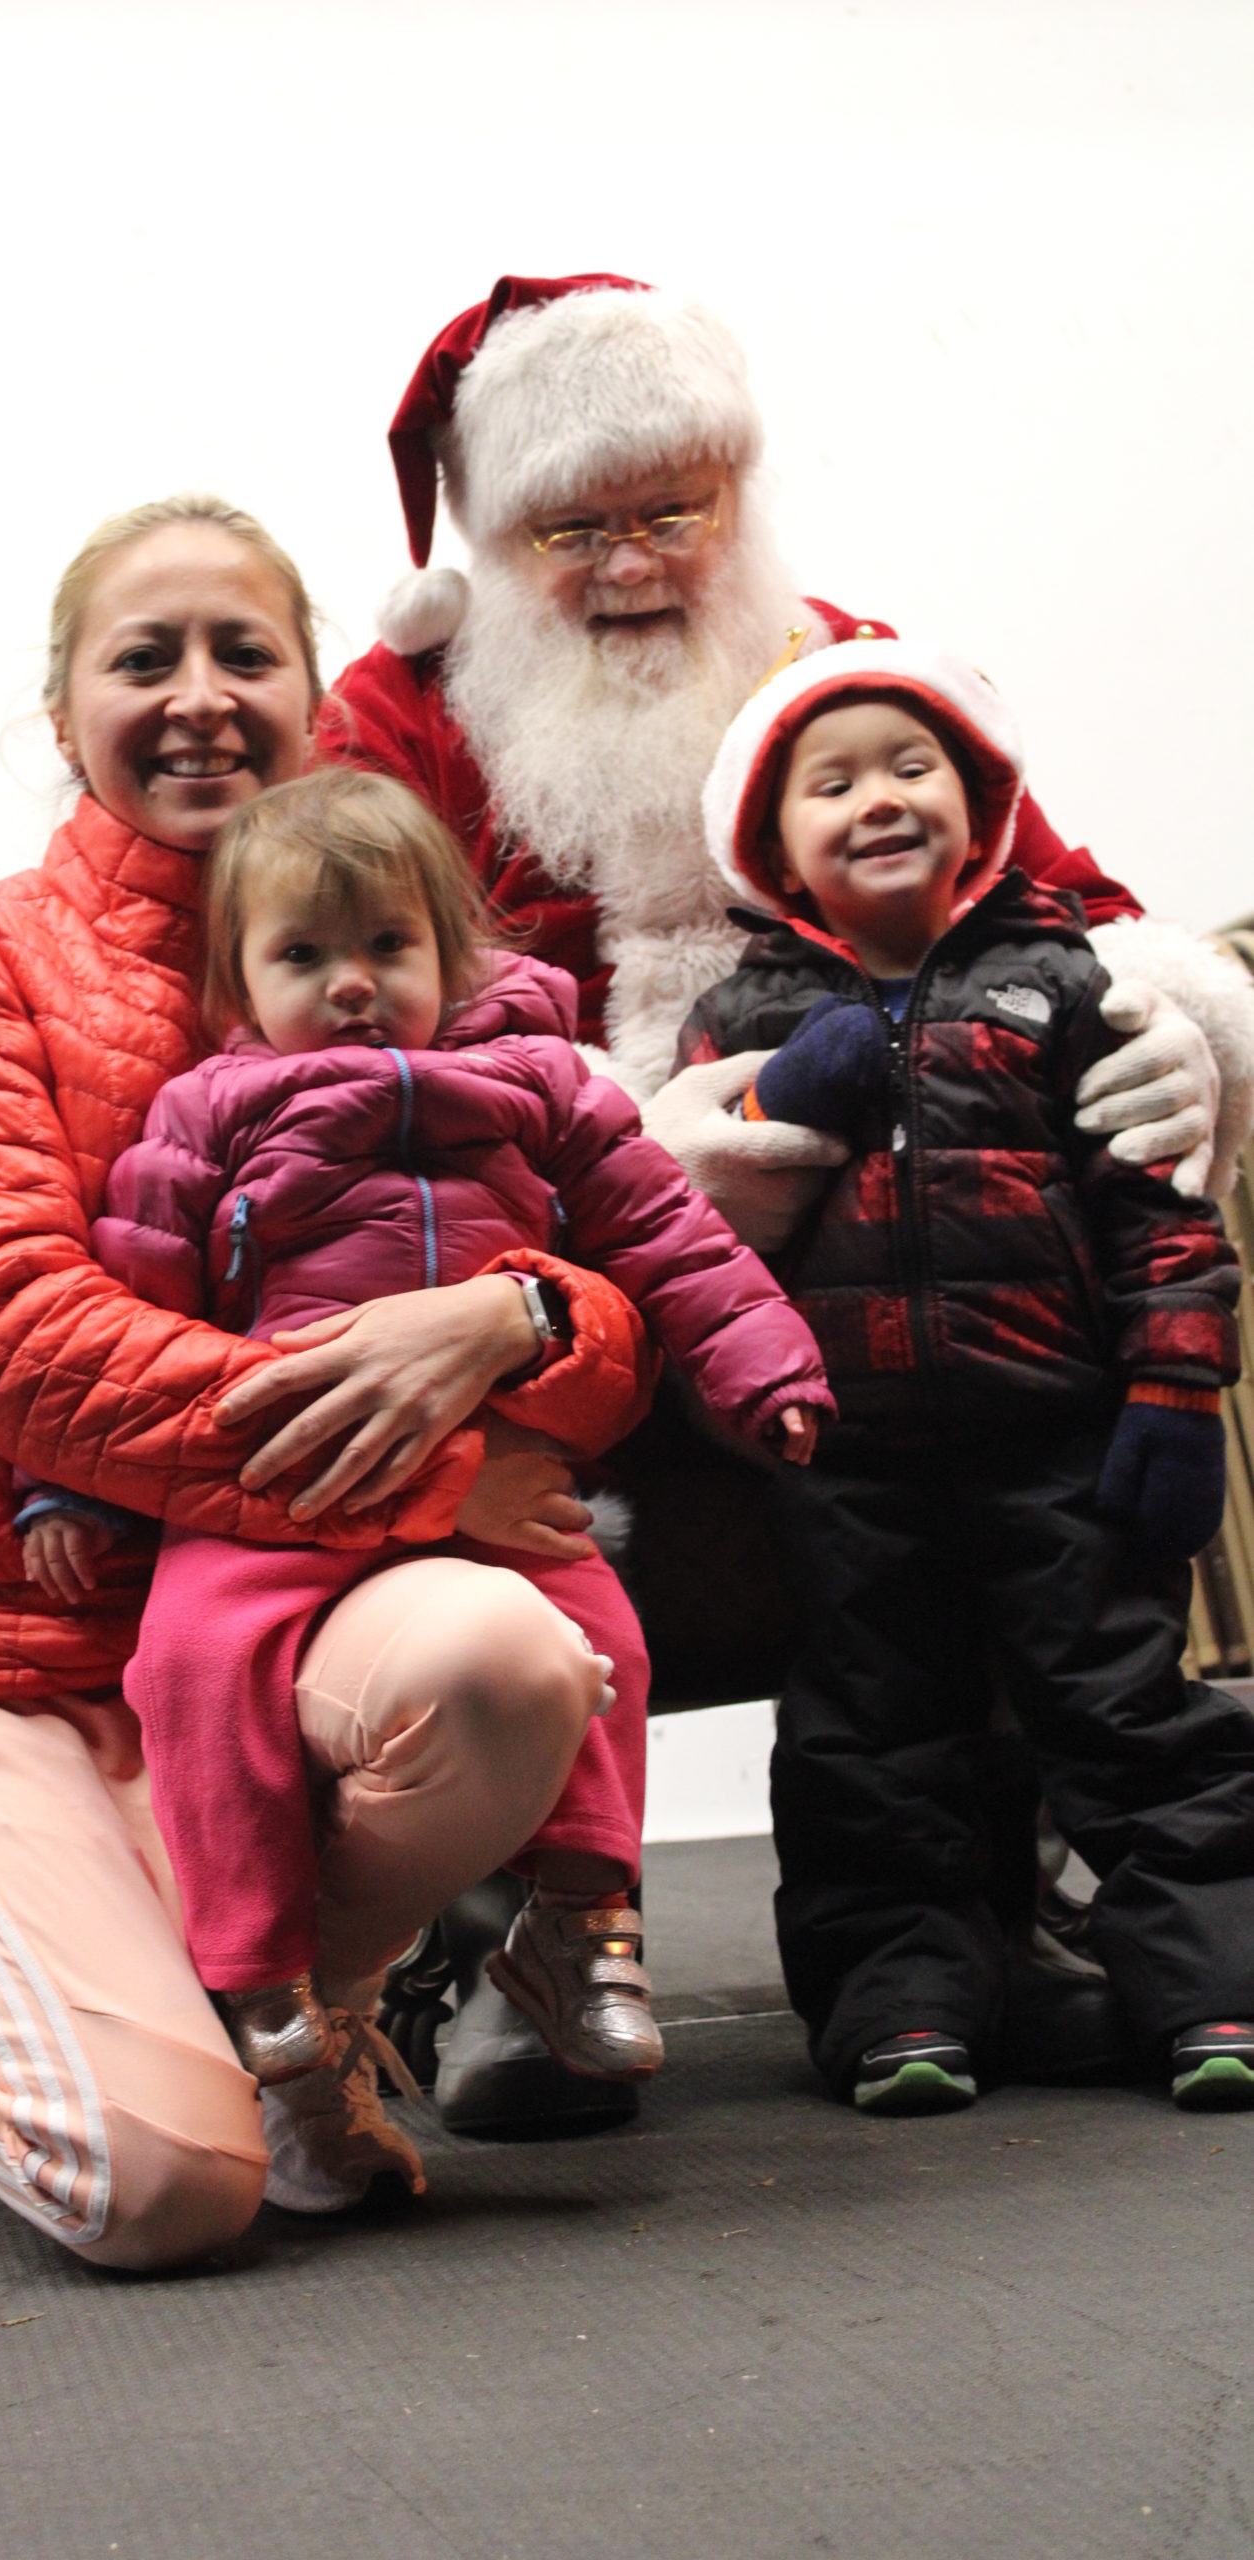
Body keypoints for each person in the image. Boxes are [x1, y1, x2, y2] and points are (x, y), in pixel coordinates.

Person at [314, 271, 1254, 2110]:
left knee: (1139, 1204)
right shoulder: (400, 715)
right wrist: (602, 1135)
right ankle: (523, 1925)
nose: (634, 562)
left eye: (676, 510)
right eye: (574, 526)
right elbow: (339, 1011)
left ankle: (1044, 1902)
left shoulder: (852, 670)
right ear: (493, 544)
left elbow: (1068, 909)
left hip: (908, 1251)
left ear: (736, 499)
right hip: (557, 1218)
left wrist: (1168, 1031)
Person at [0, 496, 661, 2263]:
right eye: (143, 657)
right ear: (63, 703)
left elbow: (632, 1279)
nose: (200, 695)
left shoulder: (435, 975)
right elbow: (20, 1346)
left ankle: (310, 2019)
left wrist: (524, 1318)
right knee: (159, 2191)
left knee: (508, 1653)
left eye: (246, 653)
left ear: (317, 695)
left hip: (269, 1623)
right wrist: (430, 1481)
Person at [12, 764, 833, 2093]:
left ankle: (583, 1927)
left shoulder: (546, 1088)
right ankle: (255, 1966)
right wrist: (69, 1494)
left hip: (500, 1472)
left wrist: (765, 1370)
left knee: (600, 1634)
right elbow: (130, 1299)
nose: (351, 981)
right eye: (303, 954)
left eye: (388, 944)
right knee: (193, 1657)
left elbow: (673, 1243)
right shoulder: (204, 1115)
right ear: (234, 988)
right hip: (284, 1473)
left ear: (449, 953)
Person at [678, 635, 1254, 2115]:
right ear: (776, 844)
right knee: (870, 1740)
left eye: (911, 765)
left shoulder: (1065, 983)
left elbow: (1162, 1208)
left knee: (1128, 1708)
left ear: (979, 803)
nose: (878, 798)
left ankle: (1212, 1993)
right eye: (834, 780)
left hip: (1056, 1437)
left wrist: (1179, 1390)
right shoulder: (743, 1024)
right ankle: (904, 2009)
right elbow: (691, 1227)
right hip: (848, 1459)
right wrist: (769, 1099)